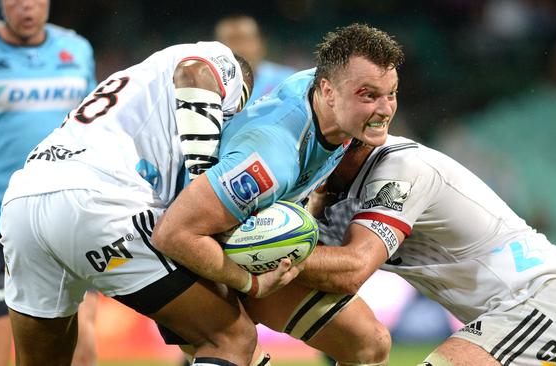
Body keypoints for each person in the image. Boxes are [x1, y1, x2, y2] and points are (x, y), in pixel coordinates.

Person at [0, 38, 304, 366]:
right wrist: (204, 179)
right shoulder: (218, 60)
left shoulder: (138, 90)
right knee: (230, 338)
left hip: (23, 200)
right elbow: (195, 71)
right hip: (98, 199)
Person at [152, 23, 404, 365]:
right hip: (187, 251)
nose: (385, 109)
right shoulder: (270, 158)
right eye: (369, 95)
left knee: (367, 343)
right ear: (327, 92)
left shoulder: (332, 93)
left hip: (243, 233)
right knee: (235, 347)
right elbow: (173, 233)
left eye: (390, 93)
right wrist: (249, 284)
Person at [297, 135, 556, 365]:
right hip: (512, 317)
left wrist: (273, 254)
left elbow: (350, 270)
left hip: (541, 310)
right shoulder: (333, 195)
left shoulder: (399, 169)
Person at [0, 0, 97, 365]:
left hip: (69, 218)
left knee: (83, 350)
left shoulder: (77, 49)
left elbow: (94, 128)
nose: (27, 6)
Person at [214, 14, 296, 103]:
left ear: (261, 44)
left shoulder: (287, 81)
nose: (241, 49)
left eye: (246, 39)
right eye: (232, 40)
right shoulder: (206, 87)